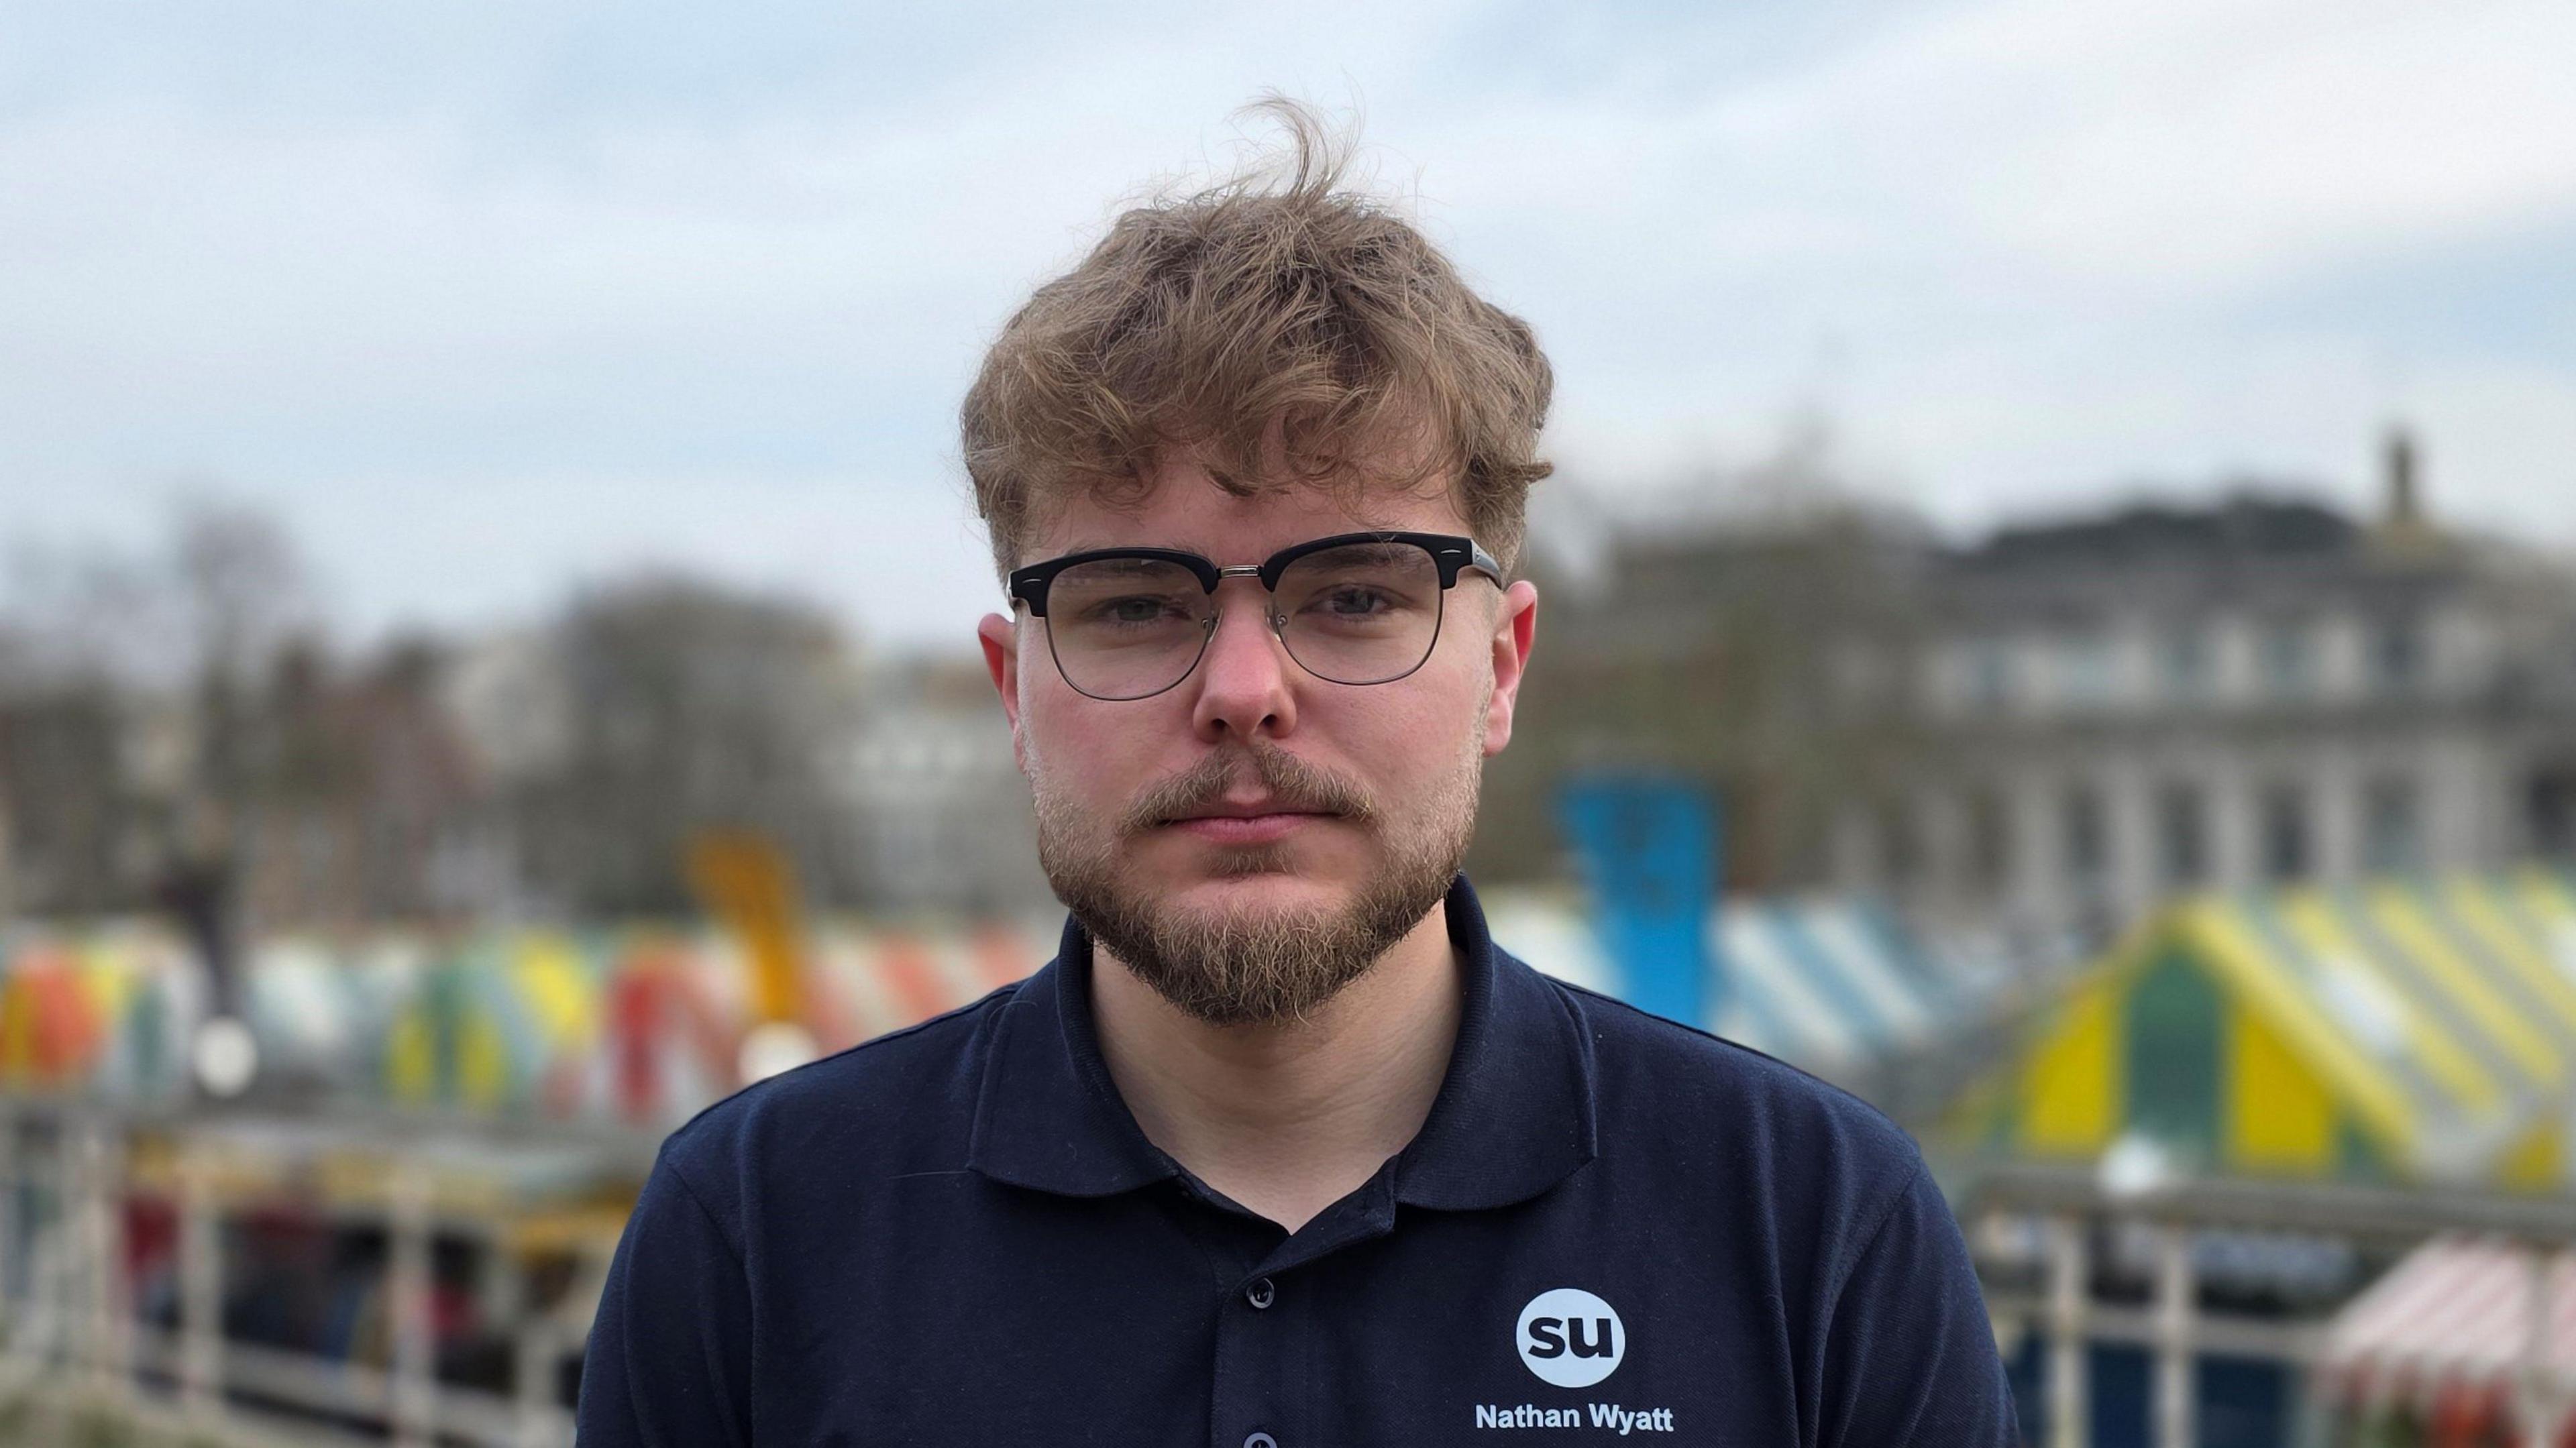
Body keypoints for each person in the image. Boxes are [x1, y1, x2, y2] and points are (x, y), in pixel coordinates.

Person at [576, 101, 2017, 1446]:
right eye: (1135, 603)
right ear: (1015, 693)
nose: (1246, 694)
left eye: (1356, 596)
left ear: (1502, 665)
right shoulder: (754, 1237)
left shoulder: (1816, 1232)